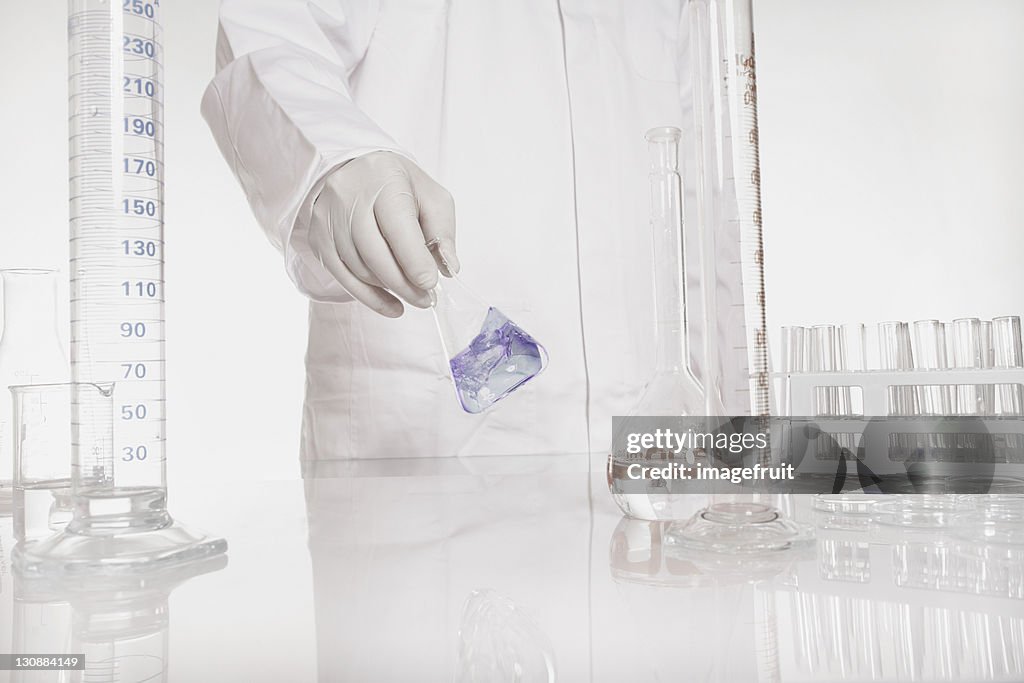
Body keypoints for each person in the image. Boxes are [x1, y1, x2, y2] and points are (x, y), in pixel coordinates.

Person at [202, 0, 742, 462]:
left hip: (660, 476)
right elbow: (270, 39)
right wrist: (338, 158)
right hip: (423, 476)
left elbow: (705, 206)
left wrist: (737, 455)